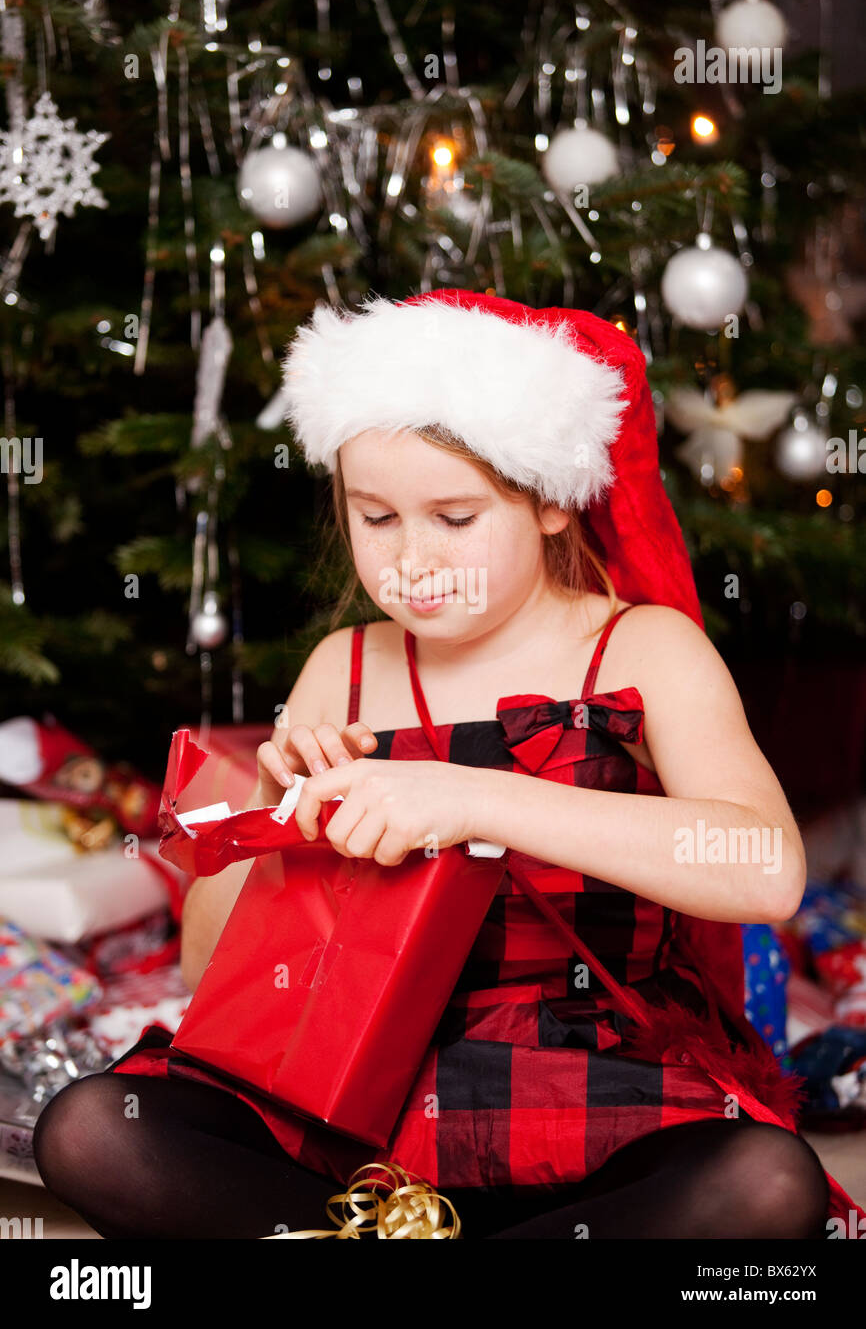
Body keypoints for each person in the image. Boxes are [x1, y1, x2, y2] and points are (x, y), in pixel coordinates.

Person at [32, 290, 862, 1240]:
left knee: (762, 1183)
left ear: (552, 500)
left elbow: (767, 871)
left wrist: (470, 797)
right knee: (93, 1130)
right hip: (357, 1088)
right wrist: (271, 818)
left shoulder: (641, 650)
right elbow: (209, 970)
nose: (412, 561)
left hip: (587, 1081)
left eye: (455, 518)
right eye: (376, 517)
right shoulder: (343, 668)